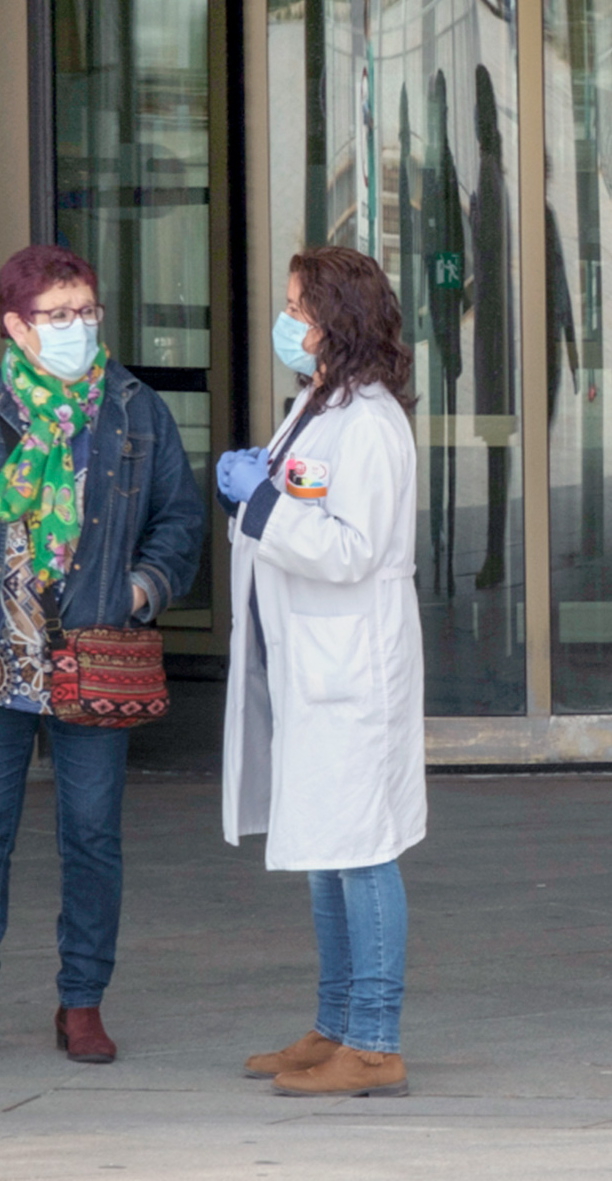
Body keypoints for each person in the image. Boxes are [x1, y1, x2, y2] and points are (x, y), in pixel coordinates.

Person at [0, 244, 202, 1066]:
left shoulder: (134, 409)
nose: (79, 328)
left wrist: (141, 590)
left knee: (92, 833)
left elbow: (178, 518)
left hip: (95, 649)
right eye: (58, 315)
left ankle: (82, 1001)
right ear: (14, 325)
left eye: (87, 312)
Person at [218, 246, 425, 1098]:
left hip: (352, 669)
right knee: (324, 849)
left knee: (362, 850)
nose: (288, 325)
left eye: (299, 310)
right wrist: (263, 498)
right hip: (307, 661)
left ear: (337, 319)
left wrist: (257, 504)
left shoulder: (372, 423)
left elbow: (350, 550)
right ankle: (332, 1023)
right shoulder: (317, 406)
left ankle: (374, 1040)